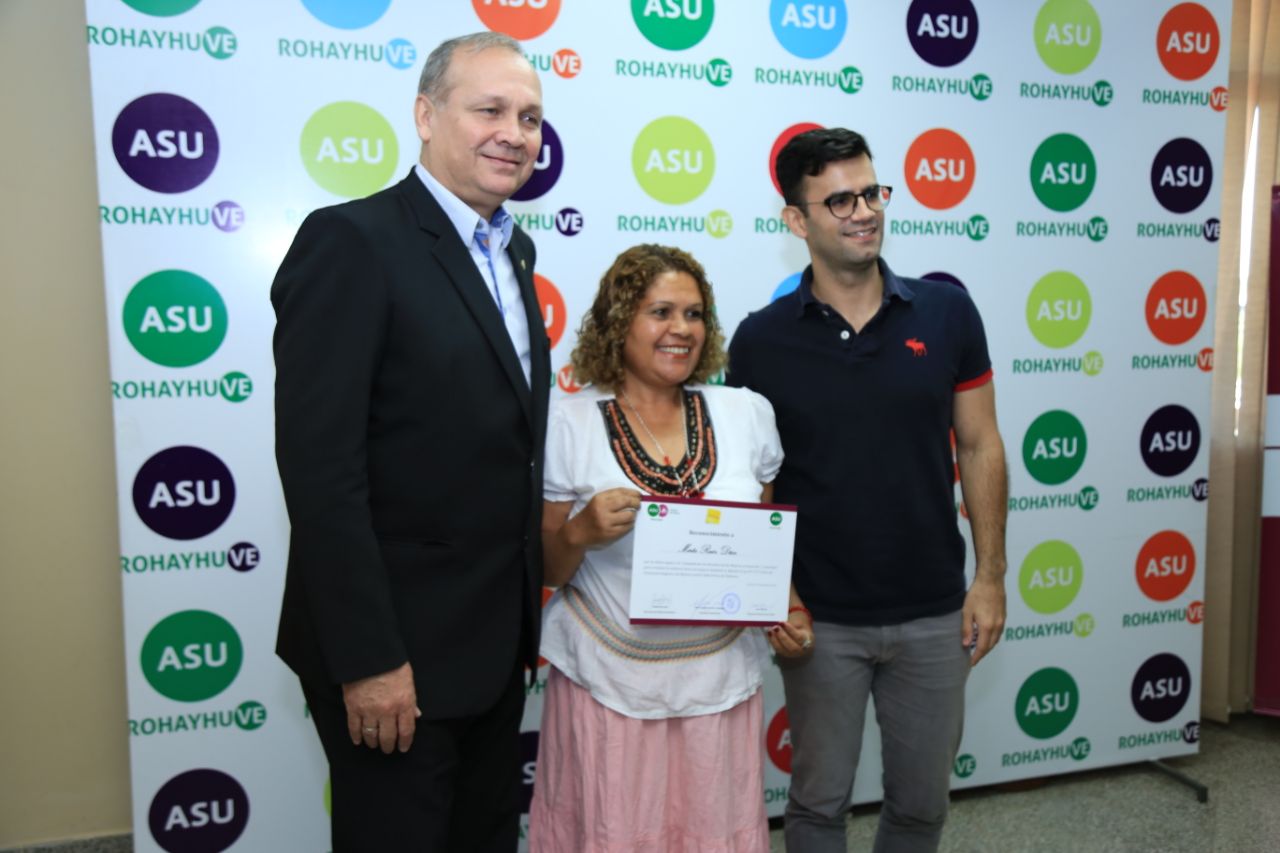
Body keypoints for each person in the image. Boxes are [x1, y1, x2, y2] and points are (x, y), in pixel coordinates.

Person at [270, 32, 549, 852]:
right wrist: (368, 659)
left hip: (491, 646)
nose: (514, 133)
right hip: (395, 655)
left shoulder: (513, 249)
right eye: (490, 109)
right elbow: (323, 471)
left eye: (530, 117)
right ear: (426, 116)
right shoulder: (352, 241)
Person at [728, 128, 1009, 852]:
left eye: (872, 193)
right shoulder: (760, 340)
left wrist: (990, 577)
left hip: (935, 611)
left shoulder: (947, 313)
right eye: (840, 200)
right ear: (797, 221)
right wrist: (779, 594)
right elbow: (750, 484)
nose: (864, 212)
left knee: (920, 805)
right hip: (819, 619)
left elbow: (980, 444)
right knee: (817, 804)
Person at [527, 244, 813, 851]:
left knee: (711, 834)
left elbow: (760, 545)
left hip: (719, 681)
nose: (681, 328)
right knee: (613, 834)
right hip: (609, 684)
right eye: (660, 312)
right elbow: (547, 569)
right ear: (618, 323)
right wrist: (579, 532)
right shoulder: (568, 423)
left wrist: (786, 607)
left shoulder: (745, 414)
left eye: (694, 313)